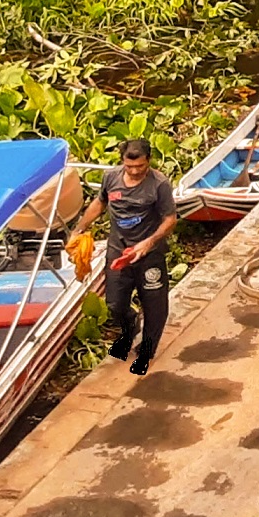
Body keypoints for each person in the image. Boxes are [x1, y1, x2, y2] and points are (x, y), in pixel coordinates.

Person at [99, 138, 175, 378]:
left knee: (154, 305)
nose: (134, 171)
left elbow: (170, 219)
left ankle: (147, 349)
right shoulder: (110, 178)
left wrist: (149, 242)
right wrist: (79, 229)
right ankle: (130, 327)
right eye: (129, 167)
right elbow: (99, 203)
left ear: (148, 162)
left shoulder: (159, 184)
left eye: (139, 167)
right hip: (118, 249)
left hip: (148, 254)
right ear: (122, 162)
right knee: (115, 303)